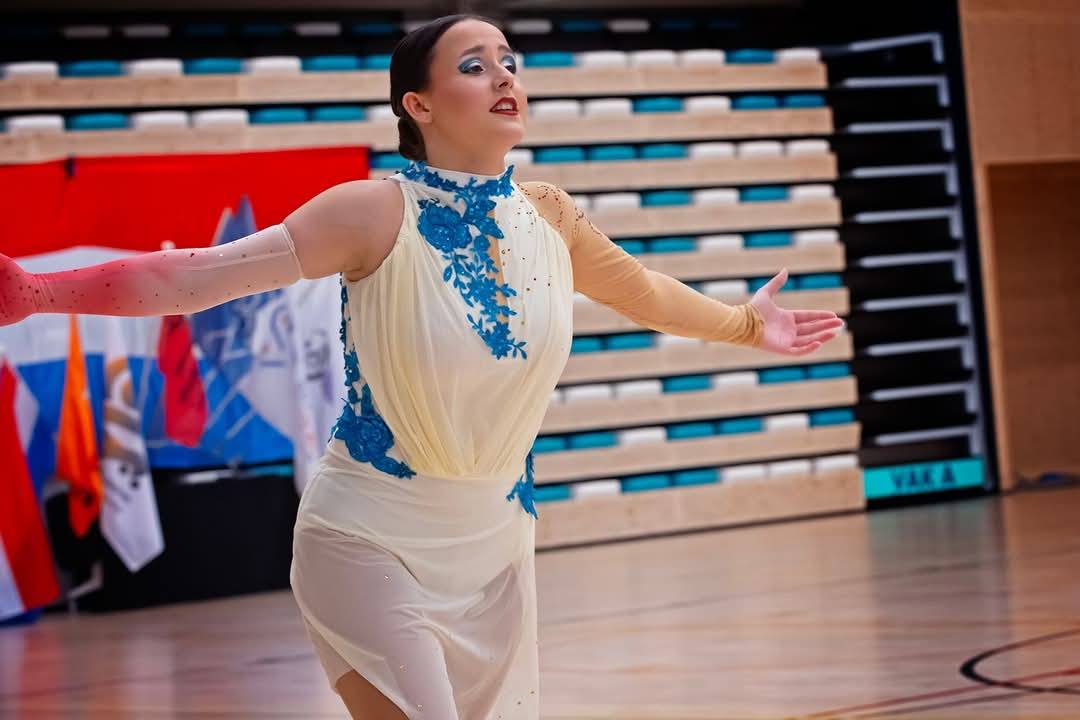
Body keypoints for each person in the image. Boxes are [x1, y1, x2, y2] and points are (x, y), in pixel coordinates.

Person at [0, 14, 843, 720]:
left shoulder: (549, 215)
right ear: (419, 104)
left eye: (509, 61)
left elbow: (646, 292)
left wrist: (746, 327)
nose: (504, 76)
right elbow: (192, 278)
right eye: (474, 66)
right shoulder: (371, 212)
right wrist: (38, 292)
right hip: (368, 539)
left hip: (496, 555)